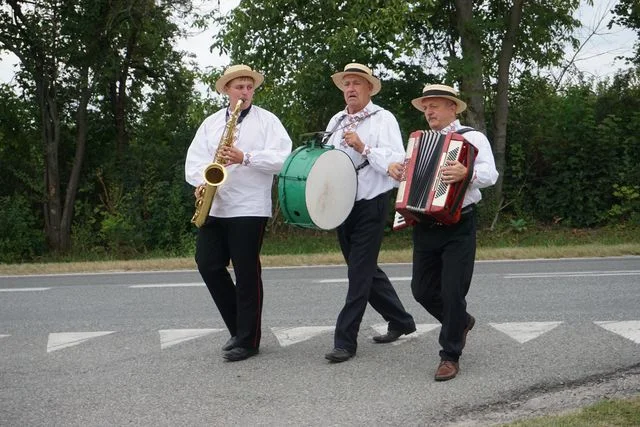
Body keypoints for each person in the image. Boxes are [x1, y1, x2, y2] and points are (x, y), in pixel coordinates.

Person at [388, 84, 499, 381]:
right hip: (425, 225)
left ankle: (449, 355)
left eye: (435, 105)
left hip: (459, 224)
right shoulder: (417, 143)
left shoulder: (471, 138)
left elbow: (491, 175)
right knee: (421, 290)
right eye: (426, 107)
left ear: (453, 107)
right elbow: (409, 178)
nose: (429, 111)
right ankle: (460, 322)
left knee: (452, 292)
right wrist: (397, 171)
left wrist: (468, 173)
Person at [185, 64, 292, 362]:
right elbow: (194, 161)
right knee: (207, 264)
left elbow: (283, 159)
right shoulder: (210, 124)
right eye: (239, 87)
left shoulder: (268, 121)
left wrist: (245, 157)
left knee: (246, 272)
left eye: (249, 87)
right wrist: (200, 182)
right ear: (226, 91)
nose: (246, 92)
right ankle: (240, 328)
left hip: (249, 206)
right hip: (216, 204)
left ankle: (248, 339)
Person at [322, 63, 416, 363]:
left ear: (369, 88)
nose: (350, 89)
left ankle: (345, 340)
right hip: (342, 203)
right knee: (365, 270)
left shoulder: (382, 118)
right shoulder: (336, 120)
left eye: (357, 84)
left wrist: (363, 147)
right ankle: (400, 320)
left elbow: (397, 161)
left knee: (358, 273)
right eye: (346, 84)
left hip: (371, 201)